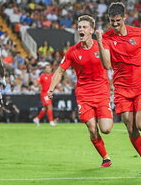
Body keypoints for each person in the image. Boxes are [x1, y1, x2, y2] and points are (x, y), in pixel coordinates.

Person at [95, 2, 141, 174]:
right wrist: (101, 42)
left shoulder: (139, 34)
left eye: (117, 20)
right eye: (112, 21)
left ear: (124, 17)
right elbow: (106, 64)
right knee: (130, 126)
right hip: (121, 88)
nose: (115, 24)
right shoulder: (107, 37)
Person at [48, 15, 113, 167]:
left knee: (106, 129)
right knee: (92, 128)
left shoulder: (101, 45)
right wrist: (51, 88)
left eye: (84, 27)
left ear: (91, 30)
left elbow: (108, 65)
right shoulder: (72, 51)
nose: (81, 30)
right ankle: (105, 157)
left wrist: (101, 41)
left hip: (102, 92)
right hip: (84, 94)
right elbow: (59, 71)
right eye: (79, 27)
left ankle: (102, 124)